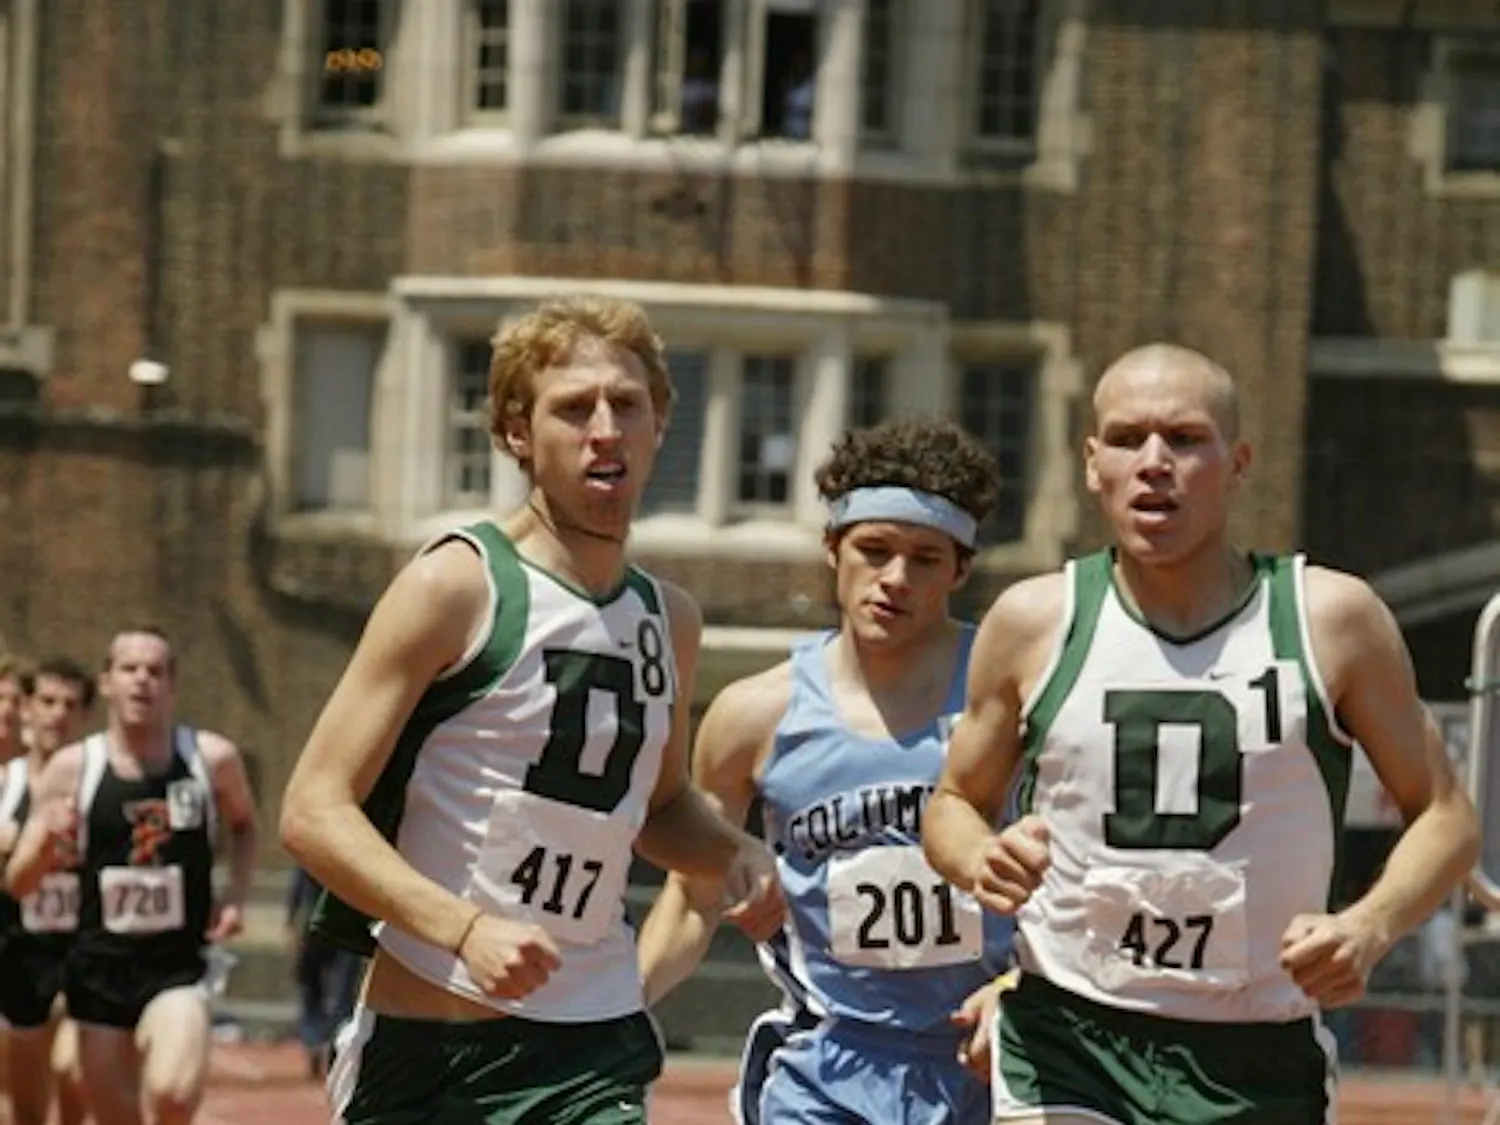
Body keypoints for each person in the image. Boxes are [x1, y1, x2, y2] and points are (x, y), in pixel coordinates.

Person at [921, 342, 1482, 1125]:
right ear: (1091, 462)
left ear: (1239, 461)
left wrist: (1368, 924)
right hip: (1070, 1032)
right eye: (1126, 438)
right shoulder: (1032, 620)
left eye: (1185, 439)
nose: (1154, 462)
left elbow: (1448, 815)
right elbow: (952, 802)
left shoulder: (1331, 620)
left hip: (1257, 1047)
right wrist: (979, 853)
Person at [279, 295, 781, 1125]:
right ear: (518, 433)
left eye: (627, 404)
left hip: (591, 1040)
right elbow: (312, 810)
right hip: (431, 1047)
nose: (605, 428)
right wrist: (466, 928)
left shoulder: (670, 619)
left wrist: (734, 851)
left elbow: (655, 807)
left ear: (660, 424)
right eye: (573, 408)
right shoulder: (458, 582)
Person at [638, 418, 1018, 1125]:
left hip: (993, 1056)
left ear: (961, 569)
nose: (895, 579)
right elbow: (693, 898)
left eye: (926, 559)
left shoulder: (1011, 696)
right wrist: (617, 1009)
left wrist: (1035, 984)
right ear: (832, 548)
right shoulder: (752, 716)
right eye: (874, 550)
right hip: (828, 1065)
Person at [5, 626, 260, 1125]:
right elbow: (19, 882)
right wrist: (45, 844)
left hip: (179, 967)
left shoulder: (212, 760)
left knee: (170, 1091)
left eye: (155, 670)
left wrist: (235, 894)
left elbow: (246, 825)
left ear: (172, 685)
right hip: (98, 972)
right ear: (106, 683)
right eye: (129, 669)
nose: (142, 680)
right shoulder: (72, 768)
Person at [0, 656, 95, 1125]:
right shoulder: (5, 782)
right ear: (27, 709)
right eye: (47, 701)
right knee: (26, 1109)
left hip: (84, 952)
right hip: (16, 954)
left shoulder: (102, 784)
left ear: (86, 715)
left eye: (70, 704)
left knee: (72, 1069)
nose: (58, 713)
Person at [284, 865, 361, 1080]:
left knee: (341, 988)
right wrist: (291, 923)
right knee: (314, 983)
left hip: (343, 927)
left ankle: (328, 1041)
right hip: (319, 927)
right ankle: (317, 1039)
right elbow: (297, 884)